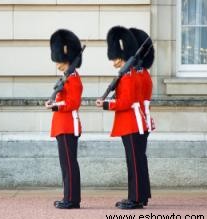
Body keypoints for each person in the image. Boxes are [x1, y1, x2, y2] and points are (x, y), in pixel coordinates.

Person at [96, 26, 154, 209]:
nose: (115, 63)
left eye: (117, 59)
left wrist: (106, 104)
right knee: (140, 159)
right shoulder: (143, 73)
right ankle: (142, 195)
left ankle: (135, 198)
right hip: (141, 122)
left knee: (134, 161)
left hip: (131, 122)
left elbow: (125, 102)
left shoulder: (129, 76)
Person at [45, 29, 83, 209]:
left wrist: (54, 105)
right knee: (65, 165)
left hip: (68, 125)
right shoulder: (66, 78)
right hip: (62, 125)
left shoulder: (73, 79)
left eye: (59, 60)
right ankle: (68, 196)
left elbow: (73, 103)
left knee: (69, 164)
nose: (57, 64)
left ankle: (72, 199)